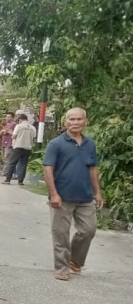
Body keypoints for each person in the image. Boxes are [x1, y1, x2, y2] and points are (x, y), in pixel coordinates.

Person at [43, 108, 103, 281]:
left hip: (85, 197)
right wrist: (53, 194)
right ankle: (61, 268)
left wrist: (97, 193)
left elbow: (93, 169)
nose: (75, 122)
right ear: (66, 122)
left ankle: (75, 261)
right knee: (60, 233)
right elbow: (48, 169)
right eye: (72, 119)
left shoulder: (89, 144)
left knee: (88, 230)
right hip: (61, 197)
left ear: (86, 121)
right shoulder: (56, 144)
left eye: (79, 119)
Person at [2, 114, 37, 186]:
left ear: (20, 119)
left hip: (18, 146)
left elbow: (14, 136)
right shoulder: (32, 128)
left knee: (12, 163)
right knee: (23, 164)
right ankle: (20, 181)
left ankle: (7, 180)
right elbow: (34, 137)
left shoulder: (18, 126)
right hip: (27, 148)